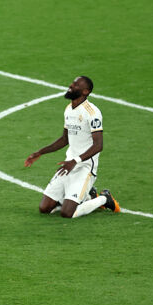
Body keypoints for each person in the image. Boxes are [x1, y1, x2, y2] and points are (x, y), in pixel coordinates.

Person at [24, 76, 120, 218]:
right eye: (73, 83)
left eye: (76, 85)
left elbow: (98, 145)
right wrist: (40, 152)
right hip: (68, 165)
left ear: (85, 91)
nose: (71, 86)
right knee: (44, 208)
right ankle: (86, 195)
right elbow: (64, 139)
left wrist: (75, 161)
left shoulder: (92, 113)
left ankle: (105, 198)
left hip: (85, 167)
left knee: (67, 213)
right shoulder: (69, 109)